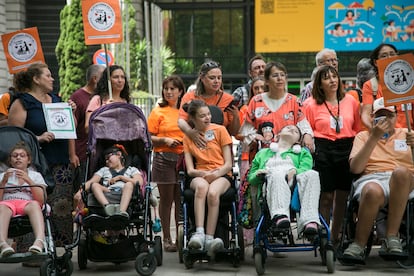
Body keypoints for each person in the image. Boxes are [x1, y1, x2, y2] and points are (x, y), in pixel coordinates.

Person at [8, 63, 75, 249]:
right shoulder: (22, 103)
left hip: (60, 164)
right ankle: (33, 249)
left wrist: (71, 112)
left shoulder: (56, 99)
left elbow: (70, 128)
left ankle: (61, 249)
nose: (52, 78)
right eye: (48, 75)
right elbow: (14, 135)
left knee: (61, 207)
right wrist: (38, 138)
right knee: (32, 204)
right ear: (36, 79)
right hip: (33, 166)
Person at [342, 97, 414, 264]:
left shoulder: (408, 134)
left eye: (389, 116)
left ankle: (391, 237)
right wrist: (374, 138)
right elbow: (356, 169)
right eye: (380, 116)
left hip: (405, 181)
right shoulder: (363, 136)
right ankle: (358, 245)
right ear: (373, 118)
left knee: (400, 173)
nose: (385, 120)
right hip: (373, 177)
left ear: (396, 117)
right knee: (372, 190)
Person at [303, 65, 361, 246]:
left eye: (335, 76)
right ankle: (323, 233)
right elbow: (306, 131)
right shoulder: (309, 104)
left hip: (346, 147)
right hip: (323, 148)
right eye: (327, 78)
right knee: (326, 196)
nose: (332, 80)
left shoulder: (351, 101)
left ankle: (335, 236)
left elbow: (358, 128)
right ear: (319, 84)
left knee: (342, 196)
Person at [248, 125, 320, 236]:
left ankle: (310, 220)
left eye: (296, 131)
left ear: (297, 141)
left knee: (313, 174)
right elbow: (251, 178)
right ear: (277, 135)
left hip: (296, 186)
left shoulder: (302, 153)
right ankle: (280, 215)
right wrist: (258, 175)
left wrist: (295, 172)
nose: (292, 129)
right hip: (271, 185)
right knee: (276, 173)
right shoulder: (262, 154)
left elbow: (305, 169)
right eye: (288, 128)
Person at [182, 100, 233, 257]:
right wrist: (202, 174)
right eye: (202, 116)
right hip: (200, 174)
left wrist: (215, 174)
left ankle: (210, 238)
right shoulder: (188, 137)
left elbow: (228, 164)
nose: (207, 118)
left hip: (221, 173)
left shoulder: (220, 130)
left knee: (212, 193)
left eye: (208, 114)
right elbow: (190, 170)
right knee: (202, 187)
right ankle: (199, 233)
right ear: (193, 119)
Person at [147, 75, 185, 252]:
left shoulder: (186, 111)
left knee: (181, 199)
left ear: (180, 91)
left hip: (184, 160)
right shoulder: (158, 112)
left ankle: (180, 237)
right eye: (166, 88)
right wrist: (164, 140)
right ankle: (166, 238)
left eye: (173, 88)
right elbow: (148, 137)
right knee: (166, 200)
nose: (169, 92)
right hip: (163, 158)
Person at [241, 61, 314, 152]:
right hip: (262, 156)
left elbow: (304, 126)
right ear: (266, 80)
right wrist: (254, 136)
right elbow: (246, 131)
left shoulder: (294, 101)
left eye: (282, 75)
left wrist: (307, 135)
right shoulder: (256, 101)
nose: (280, 78)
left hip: (289, 156)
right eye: (275, 75)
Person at [178, 61, 240, 149]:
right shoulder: (190, 96)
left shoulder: (228, 99)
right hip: (196, 146)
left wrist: (236, 116)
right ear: (202, 78)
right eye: (212, 78)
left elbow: (234, 132)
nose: (216, 81)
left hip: (221, 149)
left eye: (219, 78)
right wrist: (191, 133)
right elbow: (181, 121)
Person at [0, 141, 47, 258]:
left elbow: (42, 200)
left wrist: (29, 180)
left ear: (29, 160)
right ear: (10, 161)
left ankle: (39, 241)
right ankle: (3, 244)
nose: (18, 158)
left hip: (27, 204)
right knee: (2, 207)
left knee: (35, 205)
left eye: (22, 155)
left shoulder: (36, 175)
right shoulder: (2, 175)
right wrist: (4, 181)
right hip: (7, 203)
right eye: (15, 156)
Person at [69, 64, 104, 197]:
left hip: (99, 153)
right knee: (82, 191)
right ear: (95, 79)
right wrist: (72, 154)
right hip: (82, 153)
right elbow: (72, 126)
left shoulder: (102, 97)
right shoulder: (78, 97)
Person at [360, 43, 414, 130]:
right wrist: (375, 132)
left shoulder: (409, 82)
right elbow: (366, 114)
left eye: (392, 54)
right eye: (384, 56)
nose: (389, 58)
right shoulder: (370, 85)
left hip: (408, 137)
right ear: (375, 62)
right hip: (384, 138)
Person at [84, 145, 144, 219]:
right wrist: (80, 191)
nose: (106, 161)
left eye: (108, 157)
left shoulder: (132, 170)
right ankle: (108, 207)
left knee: (129, 184)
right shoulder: (104, 170)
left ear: (119, 154)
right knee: (94, 185)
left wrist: (121, 177)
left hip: (125, 192)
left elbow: (139, 182)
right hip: (108, 191)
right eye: (105, 159)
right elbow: (92, 181)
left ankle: (121, 212)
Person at [85, 64, 131, 133]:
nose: (120, 80)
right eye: (115, 77)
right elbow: (87, 128)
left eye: (122, 77)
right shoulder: (97, 99)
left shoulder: (125, 102)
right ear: (108, 80)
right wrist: (104, 109)